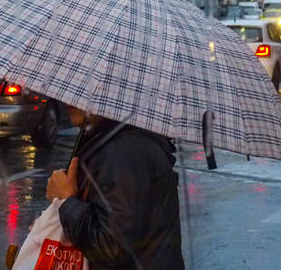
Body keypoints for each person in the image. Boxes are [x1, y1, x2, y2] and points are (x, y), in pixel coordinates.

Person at [46, 106, 184, 270]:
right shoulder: (116, 140)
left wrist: (67, 201)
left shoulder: (125, 151)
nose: (69, 102)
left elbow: (112, 247)